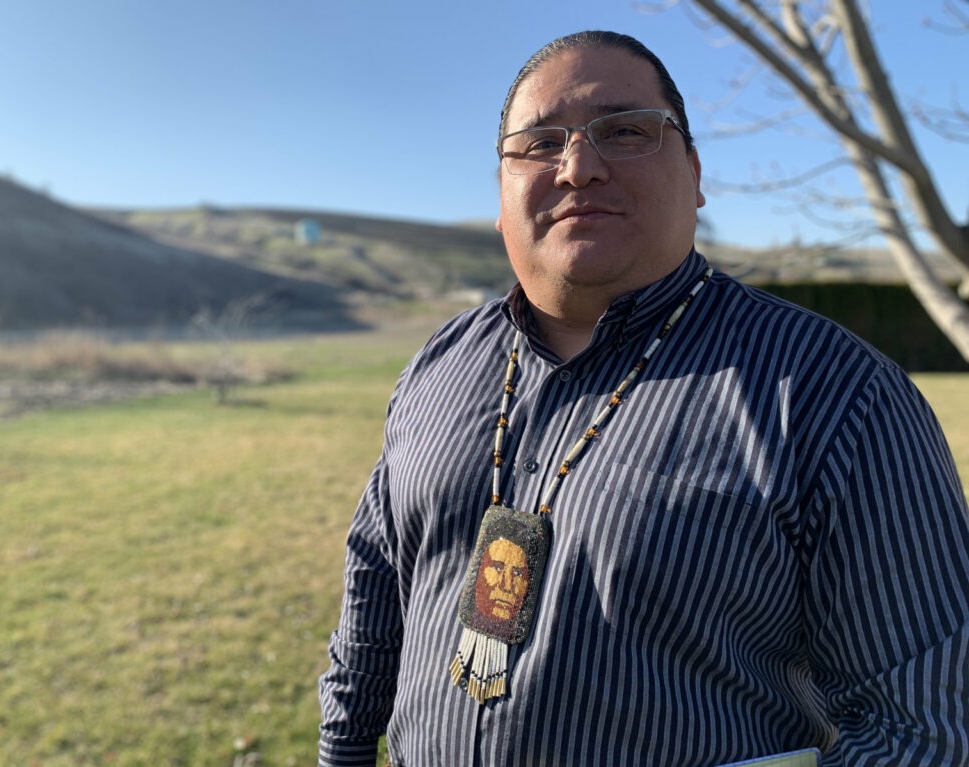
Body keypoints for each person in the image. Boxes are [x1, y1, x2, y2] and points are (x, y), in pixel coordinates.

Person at [318, 30, 969, 767]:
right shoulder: (437, 365)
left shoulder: (836, 395)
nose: (577, 167)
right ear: (500, 194)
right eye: (538, 144)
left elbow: (921, 727)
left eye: (624, 131)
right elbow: (372, 602)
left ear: (693, 173)